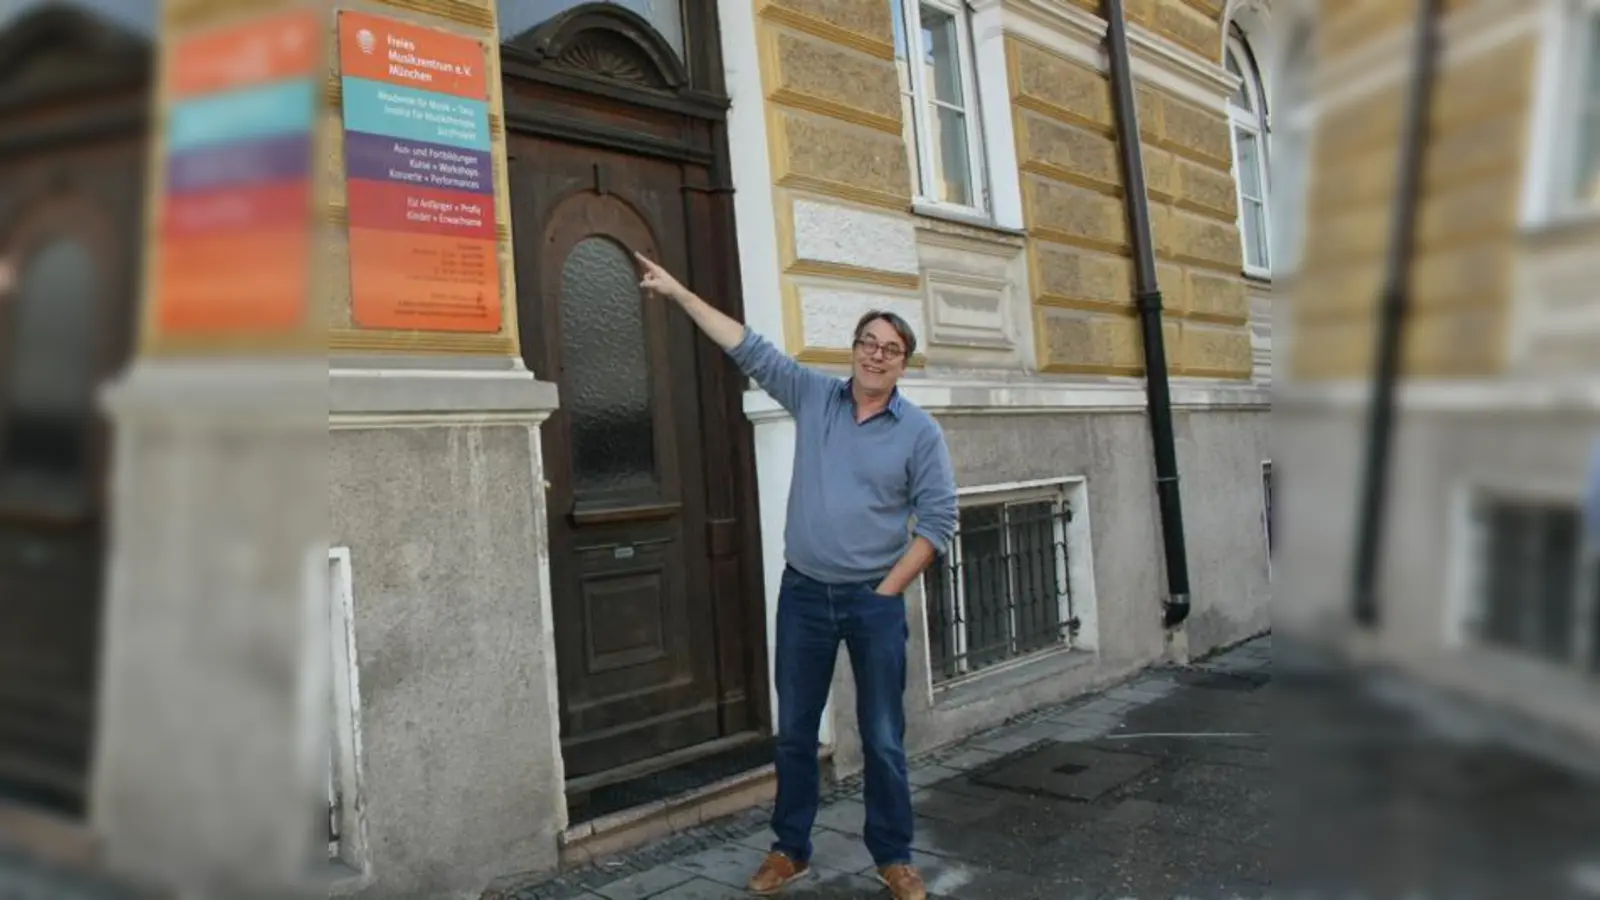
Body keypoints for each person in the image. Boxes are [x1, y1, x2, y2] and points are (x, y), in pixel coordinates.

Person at [635, 253, 956, 900]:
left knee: (884, 738)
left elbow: (939, 525)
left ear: (903, 363)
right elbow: (748, 347)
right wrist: (677, 291)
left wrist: (888, 590)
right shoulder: (815, 395)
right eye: (867, 342)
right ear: (855, 350)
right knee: (795, 733)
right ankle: (791, 850)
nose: (875, 355)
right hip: (805, 594)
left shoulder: (919, 433)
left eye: (890, 348)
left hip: (874, 603)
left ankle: (893, 856)